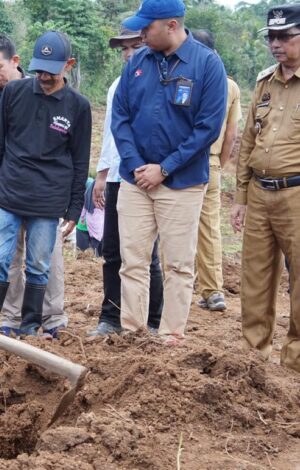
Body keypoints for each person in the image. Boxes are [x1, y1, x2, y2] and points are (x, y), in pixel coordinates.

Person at [112, 0, 227, 344]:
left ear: (172, 25)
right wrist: (136, 164)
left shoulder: (207, 65)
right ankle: (132, 334)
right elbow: (120, 118)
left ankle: (171, 336)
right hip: (136, 181)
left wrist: (164, 168)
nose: (141, 33)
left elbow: (207, 129)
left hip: (181, 183)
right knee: (133, 261)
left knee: (178, 264)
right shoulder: (137, 64)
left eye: (147, 27)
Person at [0, 31, 91, 337]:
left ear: (68, 65)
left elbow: (80, 161)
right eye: (39, 70)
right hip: (9, 193)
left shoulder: (78, 106)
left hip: (48, 200)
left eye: (51, 71)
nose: (44, 77)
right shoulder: (15, 92)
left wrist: (75, 208)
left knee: (39, 264)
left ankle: (29, 326)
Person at [232, 4, 300, 373]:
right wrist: (241, 197)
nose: (276, 44)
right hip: (260, 193)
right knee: (255, 277)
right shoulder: (264, 83)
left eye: (284, 36)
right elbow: (247, 142)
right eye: (271, 37)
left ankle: (295, 362)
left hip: (296, 195)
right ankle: (252, 358)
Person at [89, 26, 164, 337]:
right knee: (112, 250)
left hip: (145, 178)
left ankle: (154, 319)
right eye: (125, 49)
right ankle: (111, 317)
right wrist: (102, 176)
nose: (129, 54)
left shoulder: (160, 82)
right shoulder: (117, 85)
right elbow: (110, 135)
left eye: (135, 47)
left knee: (146, 254)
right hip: (118, 176)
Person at [191, 29, 241, 312]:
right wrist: (219, 162)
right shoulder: (230, 85)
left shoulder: (185, 78)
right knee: (210, 229)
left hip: (181, 164)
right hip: (211, 164)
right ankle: (213, 292)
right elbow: (231, 134)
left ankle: (172, 291)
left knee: (173, 227)